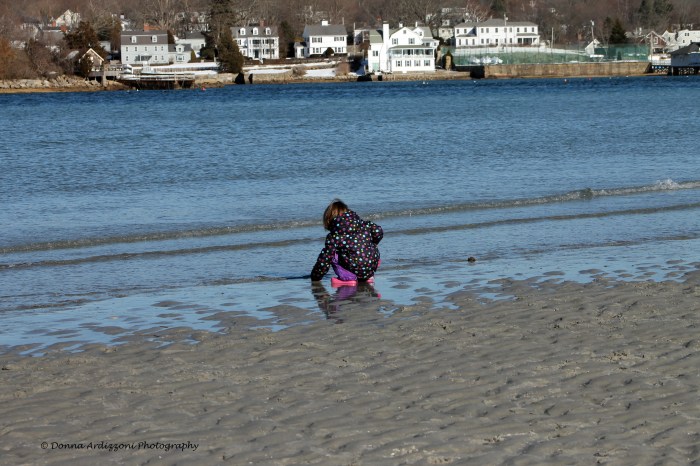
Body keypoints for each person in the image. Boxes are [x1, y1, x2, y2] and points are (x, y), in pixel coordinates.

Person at [310, 199, 383, 282]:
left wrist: (315, 277)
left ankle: (349, 278)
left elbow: (324, 260)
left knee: (331, 254)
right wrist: (374, 243)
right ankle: (367, 277)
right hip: (370, 268)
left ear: (328, 220)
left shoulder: (334, 236)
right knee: (369, 248)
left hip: (353, 271)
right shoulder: (363, 224)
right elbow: (378, 230)